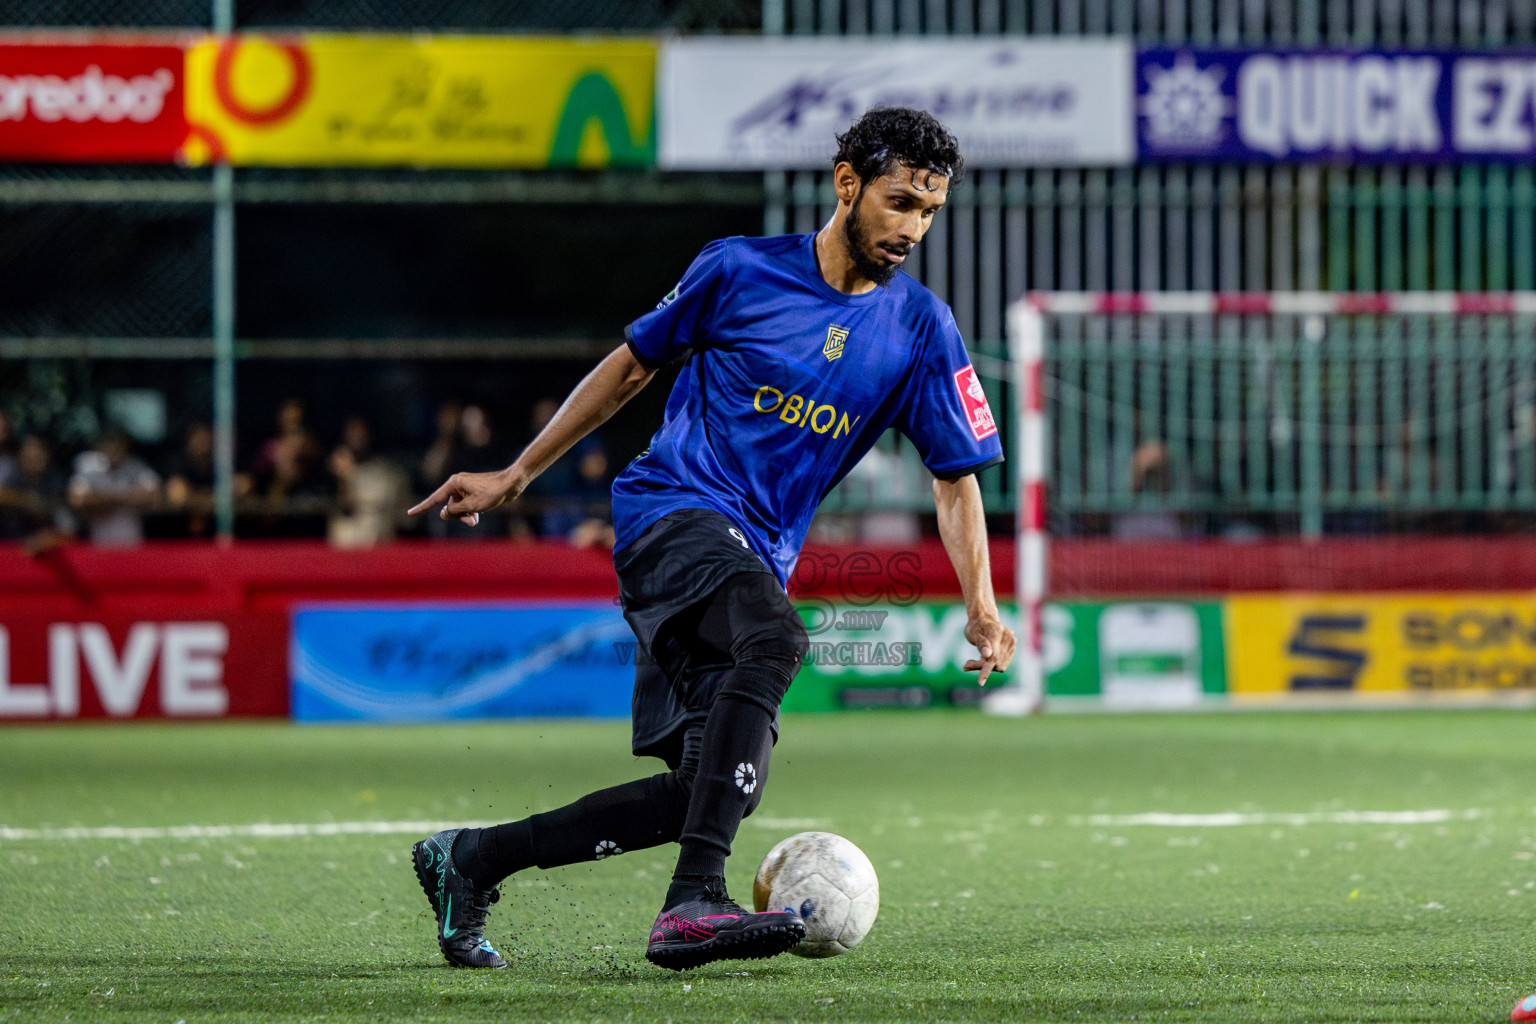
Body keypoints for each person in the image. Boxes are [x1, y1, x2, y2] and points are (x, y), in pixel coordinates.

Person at [407, 107, 1014, 973]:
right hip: (672, 513)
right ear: (846, 185)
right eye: (896, 202)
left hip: (751, 556)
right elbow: (629, 368)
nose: (912, 227)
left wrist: (982, 607)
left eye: (927, 211)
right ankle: (693, 902)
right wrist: (518, 474)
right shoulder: (738, 268)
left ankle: (471, 860)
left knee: (707, 792)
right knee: (777, 636)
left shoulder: (921, 328)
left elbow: (955, 476)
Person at [67, 428, 161, 547]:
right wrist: (126, 496)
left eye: (118, 446)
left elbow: (154, 495)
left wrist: (104, 497)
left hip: (132, 543)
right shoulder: (87, 464)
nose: (114, 450)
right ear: (99, 446)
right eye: (109, 445)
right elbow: (78, 500)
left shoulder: (136, 466)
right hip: (97, 544)